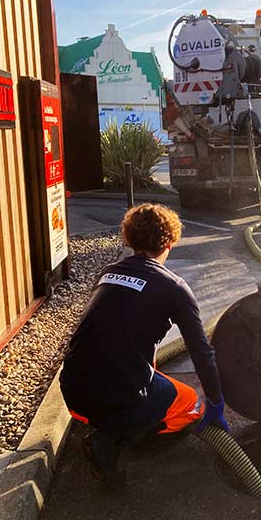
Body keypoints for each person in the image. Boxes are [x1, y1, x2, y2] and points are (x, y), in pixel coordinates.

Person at [60, 203, 226, 487]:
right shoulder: (173, 287)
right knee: (189, 403)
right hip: (114, 399)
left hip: (72, 394)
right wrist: (215, 403)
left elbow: (110, 332)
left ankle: (113, 423)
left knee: (140, 375)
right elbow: (201, 352)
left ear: (129, 239)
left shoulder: (108, 272)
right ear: (170, 243)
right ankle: (114, 437)